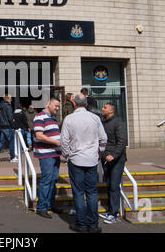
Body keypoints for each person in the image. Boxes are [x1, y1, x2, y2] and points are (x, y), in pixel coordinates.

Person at [60, 93, 107, 233]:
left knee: (79, 192)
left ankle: (81, 223)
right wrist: (99, 152)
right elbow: (103, 138)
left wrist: (67, 154)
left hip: (76, 159)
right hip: (91, 160)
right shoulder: (95, 118)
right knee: (92, 192)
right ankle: (93, 224)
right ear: (86, 104)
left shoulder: (69, 119)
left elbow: (64, 141)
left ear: (74, 103)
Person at [33, 98, 62, 219]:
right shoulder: (40, 117)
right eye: (56, 106)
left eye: (58, 107)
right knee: (46, 181)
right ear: (48, 104)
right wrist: (56, 142)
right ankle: (42, 207)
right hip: (46, 154)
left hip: (55, 154)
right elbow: (39, 136)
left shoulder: (53, 118)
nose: (57, 108)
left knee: (53, 180)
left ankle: (50, 205)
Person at [99, 102, 127, 224]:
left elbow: (122, 141)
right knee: (109, 185)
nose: (102, 109)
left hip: (116, 160)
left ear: (111, 111)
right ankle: (110, 211)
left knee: (114, 186)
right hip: (105, 159)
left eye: (105, 107)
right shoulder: (103, 122)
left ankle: (114, 214)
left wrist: (113, 156)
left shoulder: (118, 122)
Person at [0, 94, 17, 163]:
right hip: (8, 127)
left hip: (2, 127)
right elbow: (10, 117)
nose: (11, 100)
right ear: (7, 98)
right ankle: (13, 157)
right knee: (11, 142)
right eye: (11, 98)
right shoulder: (8, 106)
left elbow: (0, 116)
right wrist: (13, 126)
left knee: (1, 142)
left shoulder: (0, 106)